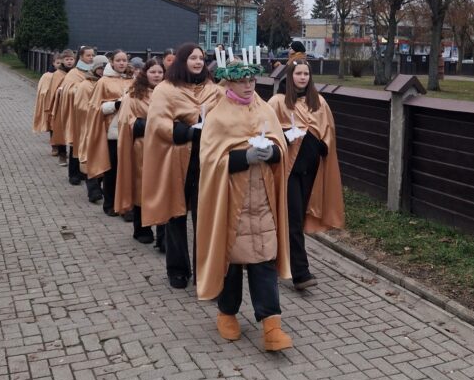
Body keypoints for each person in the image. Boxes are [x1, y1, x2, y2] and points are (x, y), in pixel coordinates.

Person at [196, 55, 293, 352]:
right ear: (229, 82)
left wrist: (272, 153)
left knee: (264, 257)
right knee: (232, 261)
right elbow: (209, 160)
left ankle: (272, 325)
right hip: (230, 200)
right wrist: (243, 157)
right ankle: (227, 313)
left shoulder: (265, 109)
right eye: (242, 81)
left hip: (263, 199)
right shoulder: (217, 115)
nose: (249, 86)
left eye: (251, 80)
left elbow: (280, 146)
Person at [141, 43, 223, 287]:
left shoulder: (214, 89)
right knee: (176, 216)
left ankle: (204, 271)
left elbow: (226, 116)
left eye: (201, 58)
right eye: (192, 58)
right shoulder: (166, 89)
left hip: (206, 159)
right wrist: (185, 131)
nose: (198, 62)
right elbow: (157, 122)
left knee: (205, 217)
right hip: (176, 158)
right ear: (182, 60)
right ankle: (177, 269)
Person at [269, 57, 344, 290]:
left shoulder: (319, 102)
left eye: (306, 74)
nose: (302, 77)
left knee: (299, 217)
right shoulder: (278, 102)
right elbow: (266, 132)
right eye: (298, 73)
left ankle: (277, 258)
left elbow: (329, 130)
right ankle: (301, 273)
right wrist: (285, 136)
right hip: (288, 171)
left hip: (312, 171)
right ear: (290, 76)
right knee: (292, 219)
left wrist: (323, 145)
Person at [115, 58, 165, 244]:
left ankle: (164, 234)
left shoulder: (169, 93)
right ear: (145, 73)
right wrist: (149, 125)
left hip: (164, 148)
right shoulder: (134, 95)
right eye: (153, 72)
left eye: (160, 72)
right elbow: (125, 121)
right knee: (142, 188)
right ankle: (142, 229)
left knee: (163, 190)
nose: (157, 75)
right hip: (142, 149)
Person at [85, 49, 132, 215]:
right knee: (112, 170)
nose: (122, 63)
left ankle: (126, 204)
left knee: (127, 169)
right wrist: (115, 105)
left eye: (124, 60)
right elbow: (94, 107)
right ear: (112, 62)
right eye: (118, 60)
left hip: (130, 130)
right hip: (112, 131)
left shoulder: (132, 80)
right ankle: (110, 204)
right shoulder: (103, 82)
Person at [56, 45, 96, 185]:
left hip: (91, 112)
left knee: (88, 142)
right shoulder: (74, 73)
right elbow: (67, 90)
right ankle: (74, 173)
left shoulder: (95, 71)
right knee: (76, 142)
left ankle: (84, 171)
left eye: (92, 55)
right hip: (77, 112)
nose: (91, 57)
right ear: (81, 56)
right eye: (88, 55)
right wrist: (82, 88)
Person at [72, 55, 108, 203]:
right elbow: (81, 106)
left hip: (106, 127)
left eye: (104, 68)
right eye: (100, 68)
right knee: (91, 157)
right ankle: (93, 190)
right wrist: (98, 111)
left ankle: (100, 186)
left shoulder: (108, 83)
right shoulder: (86, 85)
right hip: (90, 126)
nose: (102, 71)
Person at [45, 49, 76, 163]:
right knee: (61, 129)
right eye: (67, 59)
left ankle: (74, 155)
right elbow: (53, 90)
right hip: (60, 105)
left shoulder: (76, 73)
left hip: (73, 105)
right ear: (63, 60)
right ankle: (62, 153)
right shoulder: (58, 74)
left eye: (71, 59)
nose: (69, 61)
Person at [32, 53, 61, 137]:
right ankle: (53, 136)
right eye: (58, 63)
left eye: (61, 63)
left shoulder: (66, 75)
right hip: (51, 101)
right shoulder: (47, 76)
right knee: (52, 119)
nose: (59, 65)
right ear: (53, 63)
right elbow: (42, 89)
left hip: (61, 101)